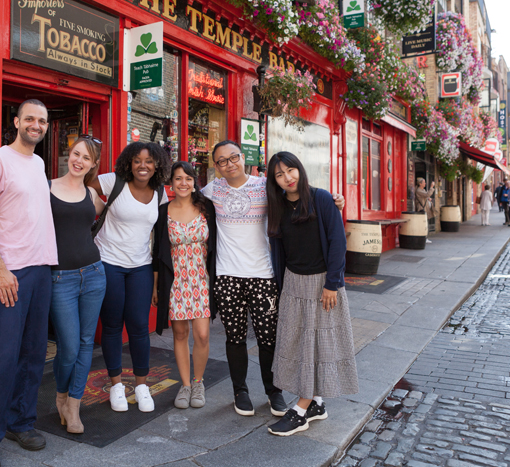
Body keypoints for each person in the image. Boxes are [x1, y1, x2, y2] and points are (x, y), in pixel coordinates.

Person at [201, 140, 344, 418]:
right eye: (222, 161)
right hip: (228, 276)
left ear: (243, 158)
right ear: (216, 167)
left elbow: (300, 197)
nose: (229, 164)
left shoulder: (264, 188)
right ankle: (240, 391)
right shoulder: (212, 190)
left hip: (264, 275)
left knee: (269, 338)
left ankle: (273, 391)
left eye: (233, 157)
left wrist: (334, 200)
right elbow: (184, 199)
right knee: (235, 337)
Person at [0, 135, 106, 435]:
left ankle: (73, 405)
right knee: (68, 347)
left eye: (87, 158)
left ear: (93, 165)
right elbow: (17, 208)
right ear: (70, 154)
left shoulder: (93, 196)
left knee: (86, 344)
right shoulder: (46, 186)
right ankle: (61, 395)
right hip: (60, 277)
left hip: (93, 273)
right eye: (76, 154)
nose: (79, 161)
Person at [0, 99, 57, 467]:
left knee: (34, 355)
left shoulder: (38, 164)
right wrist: (0, 269)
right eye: (30, 119)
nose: (36, 125)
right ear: (16, 122)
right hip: (10, 273)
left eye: (43, 121)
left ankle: (19, 421)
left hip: (41, 271)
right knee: (2, 358)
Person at [264, 152, 357, 436]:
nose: (287, 178)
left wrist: (333, 283)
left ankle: (301, 410)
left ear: (300, 170)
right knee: (299, 344)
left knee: (317, 343)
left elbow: (337, 241)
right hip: (293, 283)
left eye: (290, 171)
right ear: (274, 181)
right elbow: (280, 249)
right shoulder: (278, 205)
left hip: (321, 284)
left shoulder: (321, 198)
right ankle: (317, 403)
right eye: (279, 175)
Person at [90, 142, 172, 413]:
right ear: (129, 162)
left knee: (138, 326)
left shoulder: (160, 193)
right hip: (108, 263)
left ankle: (141, 386)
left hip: (141, 267)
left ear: (157, 164)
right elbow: (80, 187)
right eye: (137, 160)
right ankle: (116, 386)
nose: (143, 166)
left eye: (148, 161)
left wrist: (159, 280)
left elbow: (160, 238)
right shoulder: (112, 181)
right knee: (112, 326)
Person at [152, 162, 217, 409]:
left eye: (188, 178)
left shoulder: (206, 208)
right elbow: (158, 251)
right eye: (178, 178)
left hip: (202, 278)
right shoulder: (163, 212)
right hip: (176, 280)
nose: (183, 183)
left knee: (201, 334)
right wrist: (156, 286)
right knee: (180, 333)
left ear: (193, 182)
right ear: (171, 183)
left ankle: (198, 382)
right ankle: (185, 385)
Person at [414, 178, 436, 244]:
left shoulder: (422, 190)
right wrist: (431, 187)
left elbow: (426, 196)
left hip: (425, 208)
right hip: (422, 209)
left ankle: (425, 237)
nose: (425, 183)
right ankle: (424, 238)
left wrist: (427, 199)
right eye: (424, 182)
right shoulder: (419, 190)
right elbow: (427, 194)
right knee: (424, 224)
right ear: (420, 184)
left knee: (425, 223)